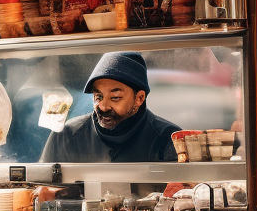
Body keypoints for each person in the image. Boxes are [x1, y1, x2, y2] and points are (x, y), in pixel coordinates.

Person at [39, 51, 180, 163]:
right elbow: (44, 187)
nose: (104, 107)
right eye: (98, 97)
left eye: (115, 98)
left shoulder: (169, 138)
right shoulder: (67, 135)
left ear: (139, 98)